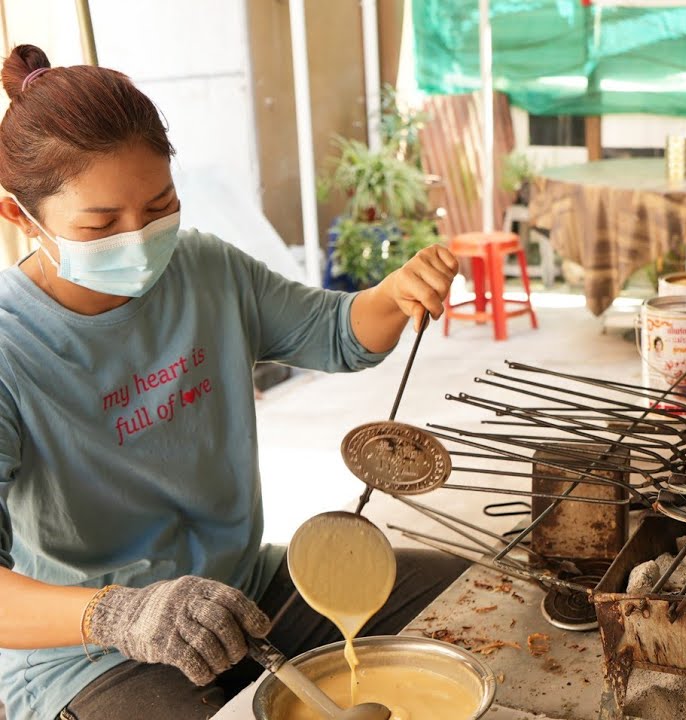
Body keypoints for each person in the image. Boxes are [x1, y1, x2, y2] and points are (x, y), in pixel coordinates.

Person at [0, 46, 467, 719]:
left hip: (244, 591)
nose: (139, 241)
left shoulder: (205, 270)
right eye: (101, 225)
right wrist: (117, 615)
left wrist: (394, 294)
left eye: (160, 206)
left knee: (465, 601)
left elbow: (337, 333)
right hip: (87, 652)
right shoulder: (12, 349)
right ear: (22, 217)